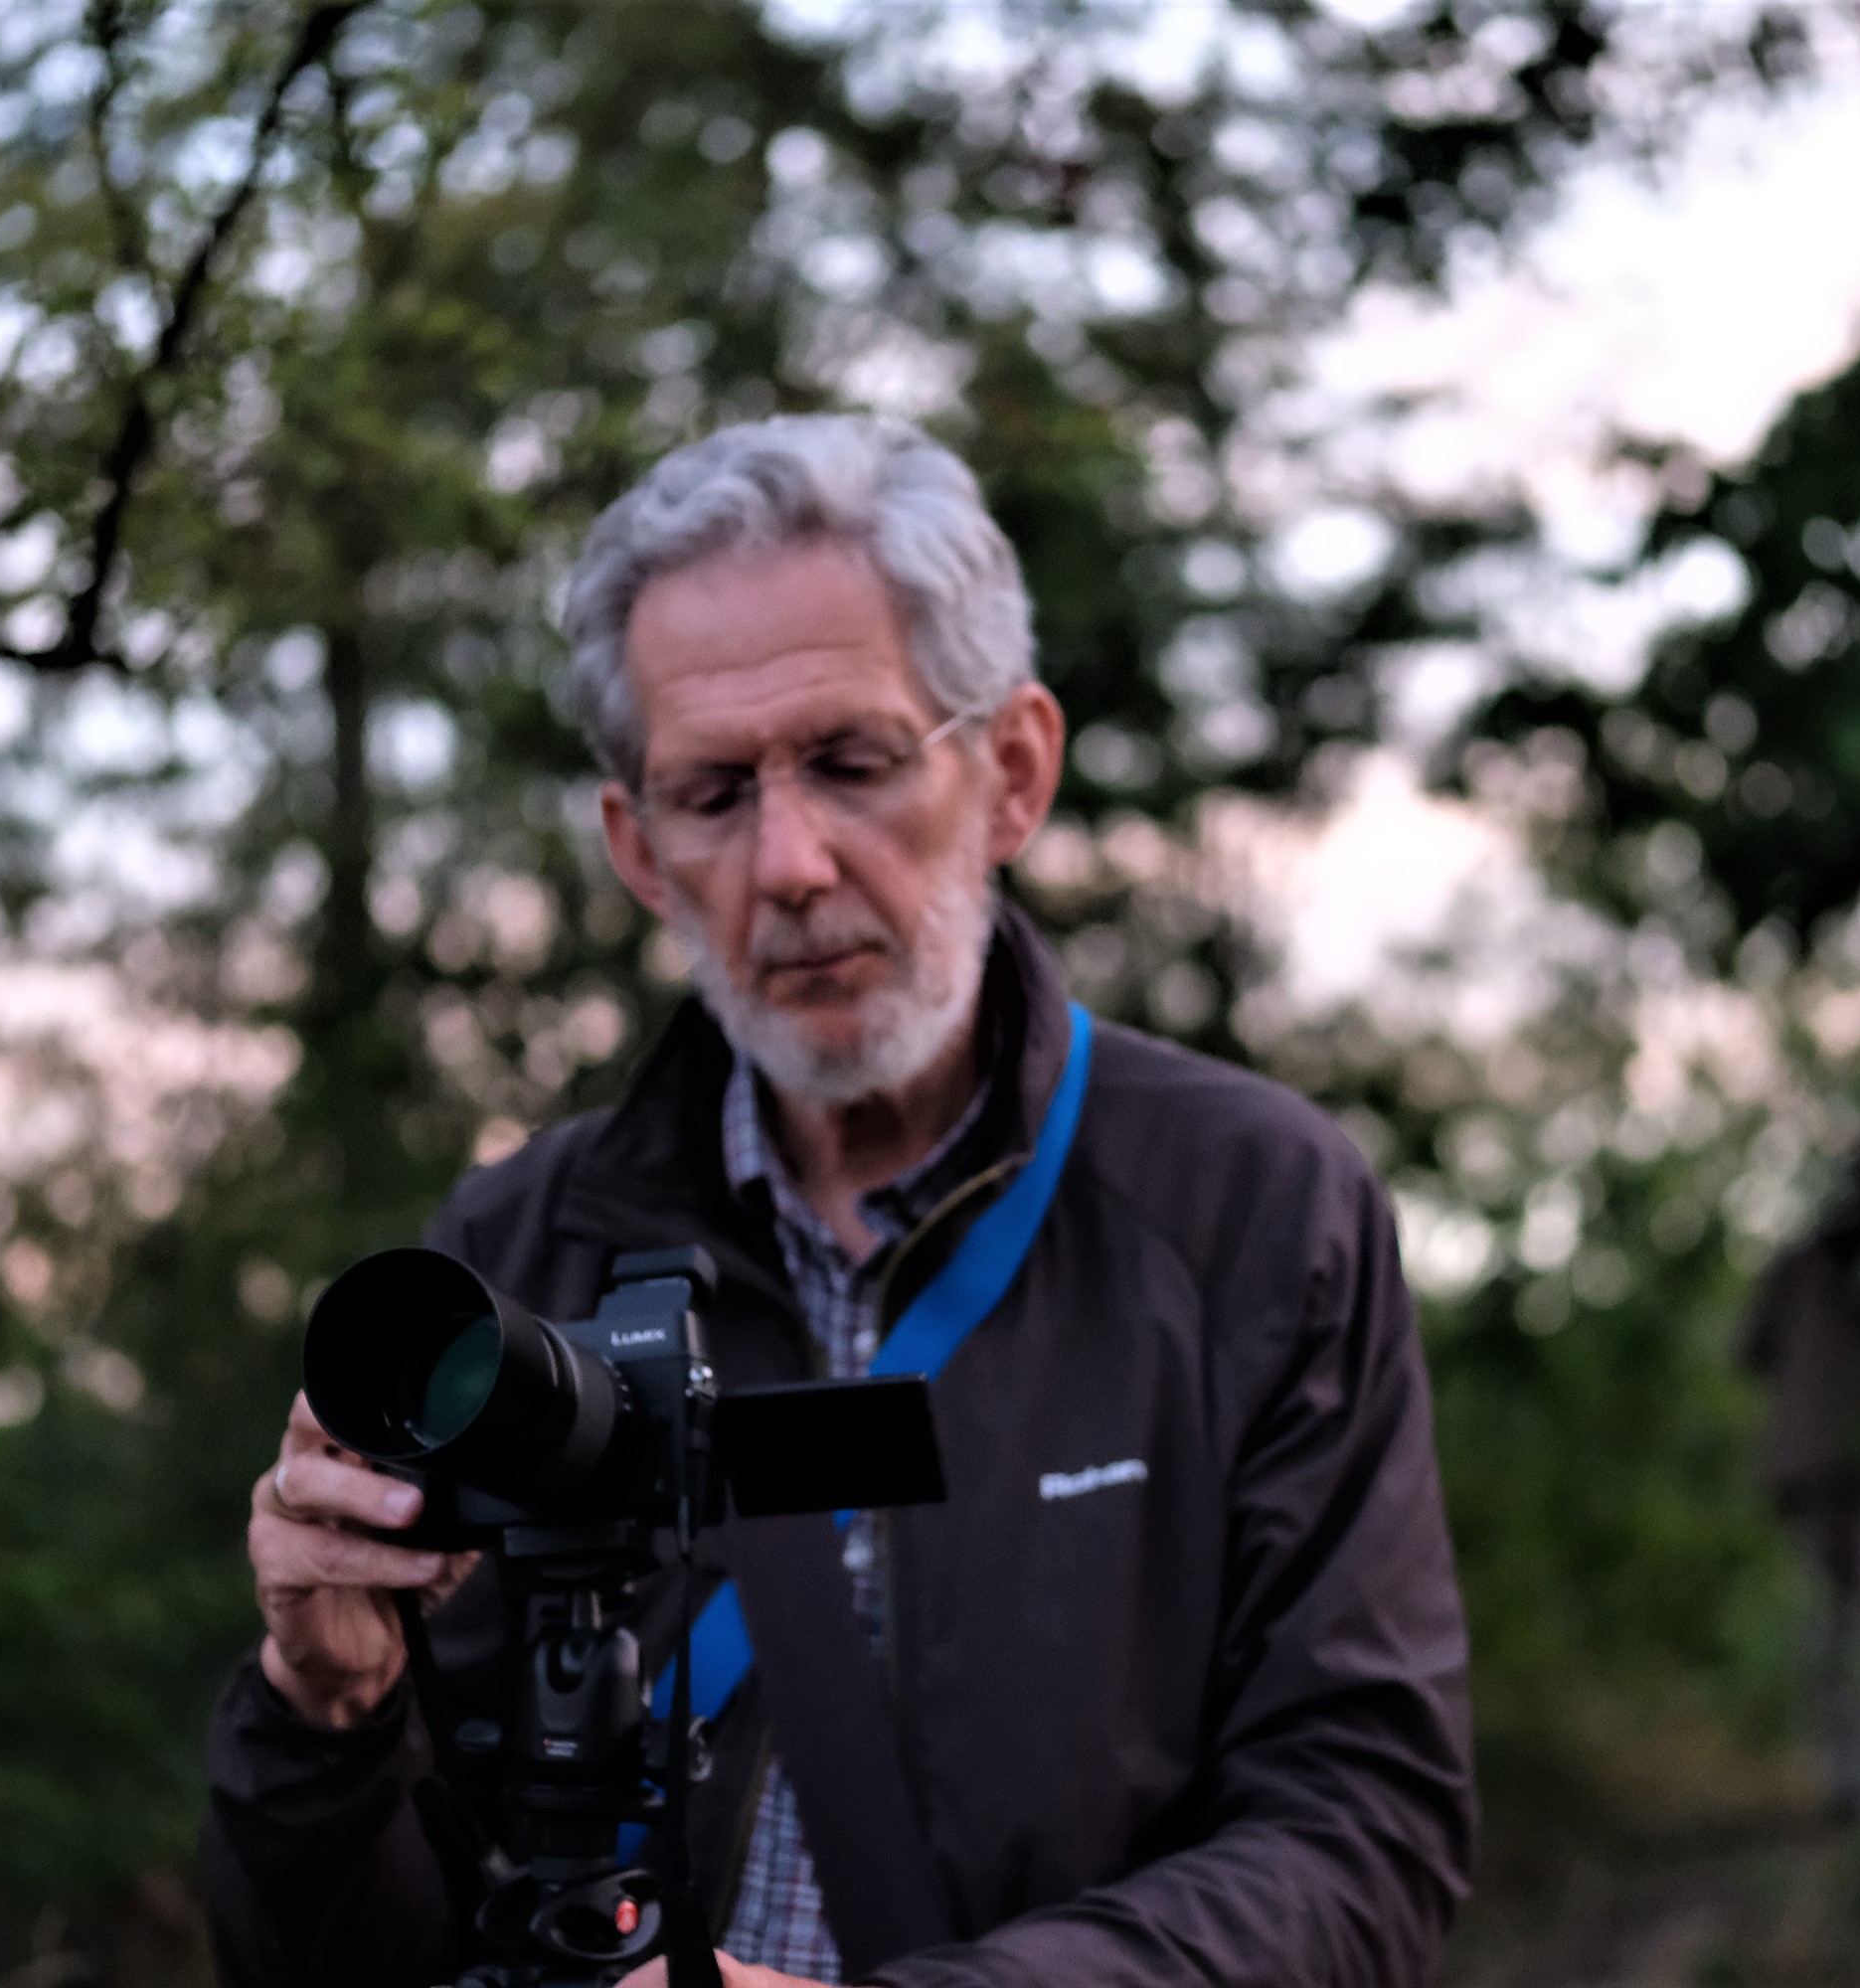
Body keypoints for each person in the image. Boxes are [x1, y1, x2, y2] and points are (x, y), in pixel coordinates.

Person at [204, 414, 1475, 1988]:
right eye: (713, 793)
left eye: (853, 763)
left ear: (1011, 773)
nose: (790, 862)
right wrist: (321, 1713)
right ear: (639, 850)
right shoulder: (515, 1258)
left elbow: (1363, 1833)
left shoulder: (1252, 1213)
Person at [1740, 1136, 1860, 1820]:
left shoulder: (1809, 1264)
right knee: (1838, 1625)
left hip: (1845, 1468)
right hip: (1823, 1472)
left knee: (1854, 1623)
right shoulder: (1803, 1266)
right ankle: (1851, 1785)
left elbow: (1750, 1352)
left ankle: (1859, 1782)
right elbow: (1751, 1348)